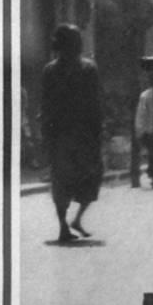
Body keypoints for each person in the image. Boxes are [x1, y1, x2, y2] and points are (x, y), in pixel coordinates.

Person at [40, 23, 104, 243]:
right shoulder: (85, 68)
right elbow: (95, 105)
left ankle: (69, 223)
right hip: (72, 136)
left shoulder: (56, 70)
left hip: (70, 136)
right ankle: (65, 225)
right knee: (69, 181)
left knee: (72, 181)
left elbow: (46, 107)